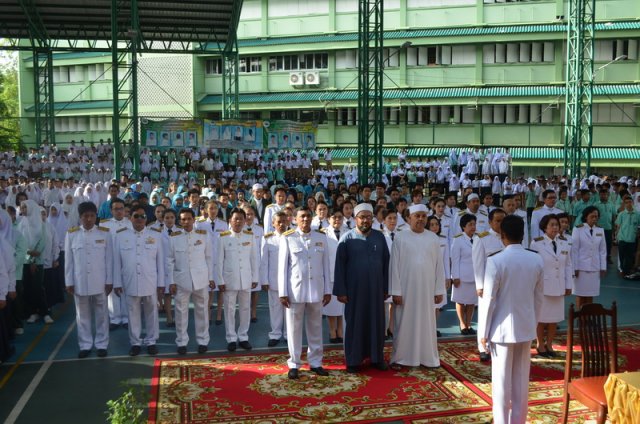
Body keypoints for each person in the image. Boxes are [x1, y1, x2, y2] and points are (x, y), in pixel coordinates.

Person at [478, 215, 543, 424]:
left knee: (501, 381)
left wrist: (483, 334)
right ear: (523, 235)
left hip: (501, 329)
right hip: (525, 326)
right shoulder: (536, 258)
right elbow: (538, 298)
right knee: (521, 380)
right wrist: (532, 324)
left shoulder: (496, 260)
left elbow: (488, 301)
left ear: (502, 236)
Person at [334, 203, 390, 373]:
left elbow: (386, 264)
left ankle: (376, 357)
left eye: (368, 217)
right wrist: (341, 291)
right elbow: (339, 267)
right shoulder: (347, 239)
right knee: (355, 324)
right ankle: (353, 360)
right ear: (355, 219)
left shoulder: (380, 238)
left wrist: (386, 288)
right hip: (354, 292)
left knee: (376, 323)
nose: (365, 220)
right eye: (362, 217)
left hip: (376, 290)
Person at [389, 204, 446, 369]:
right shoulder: (400, 237)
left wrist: (439, 289)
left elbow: (438, 266)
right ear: (409, 218)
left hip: (427, 290)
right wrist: (396, 291)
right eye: (417, 216)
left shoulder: (433, 238)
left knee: (427, 323)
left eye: (423, 216)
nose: (420, 219)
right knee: (404, 323)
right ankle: (402, 358)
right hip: (406, 290)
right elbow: (394, 267)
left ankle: (427, 357)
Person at [278, 206, 331, 380]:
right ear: (295, 219)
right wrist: (282, 292)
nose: (306, 219)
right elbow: (282, 268)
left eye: (308, 216)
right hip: (295, 290)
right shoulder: (288, 238)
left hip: (316, 289)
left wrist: (327, 290)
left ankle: (316, 362)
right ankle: (294, 363)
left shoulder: (321, 237)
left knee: (316, 327)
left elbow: (326, 266)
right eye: (302, 217)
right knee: (294, 328)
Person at [113, 204, 165, 356]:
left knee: (151, 312)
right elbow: (117, 262)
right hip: (130, 280)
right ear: (130, 218)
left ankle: (151, 341)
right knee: (132, 313)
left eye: (142, 216)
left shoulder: (156, 235)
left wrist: (161, 283)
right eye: (136, 216)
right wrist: (117, 282)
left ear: (146, 219)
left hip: (150, 280)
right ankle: (135, 342)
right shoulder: (121, 236)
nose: (139, 219)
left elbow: (160, 262)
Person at [65, 201, 113, 358]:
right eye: (86, 216)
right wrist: (69, 281)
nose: (89, 219)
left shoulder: (104, 233)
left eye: (92, 216)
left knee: (102, 314)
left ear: (96, 216)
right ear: (80, 217)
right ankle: (85, 345)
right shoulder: (72, 234)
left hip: (99, 280)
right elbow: (69, 261)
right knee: (82, 315)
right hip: (80, 281)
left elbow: (109, 260)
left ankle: (102, 344)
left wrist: (109, 280)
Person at [167, 208, 215, 355]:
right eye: (183, 219)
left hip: (201, 279)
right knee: (181, 312)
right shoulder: (174, 237)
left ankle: (203, 340)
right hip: (181, 280)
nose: (186, 222)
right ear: (179, 221)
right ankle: (181, 341)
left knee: (202, 311)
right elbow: (169, 260)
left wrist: (211, 278)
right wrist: (171, 281)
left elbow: (209, 258)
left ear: (194, 219)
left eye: (188, 218)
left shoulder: (203, 235)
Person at [530, 214, 572, 358]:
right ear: (544, 227)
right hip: (543, 286)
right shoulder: (537, 243)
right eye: (552, 225)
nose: (555, 227)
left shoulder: (564, 243)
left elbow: (568, 265)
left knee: (554, 318)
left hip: (559, 285)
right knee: (542, 318)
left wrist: (568, 284)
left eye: (557, 225)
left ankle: (549, 344)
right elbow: (533, 266)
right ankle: (540, 344)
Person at [217, 208, 258, 352]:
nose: (239, 221)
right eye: (236, 219)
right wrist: (220, 280)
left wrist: (255, 277)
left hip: (246, 278)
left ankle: (243, 336)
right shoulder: (223, 237)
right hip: (229, 279)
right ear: (230, 221)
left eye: (241, 218)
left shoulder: (250, 236)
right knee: (229, 309)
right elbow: (219, 261)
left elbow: (254, 259)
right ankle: (231, 338)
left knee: (245, 308)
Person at [471, 208, 506, 362]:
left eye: (503, 220)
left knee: (501, 314)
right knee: (485, 315)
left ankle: (496, 342)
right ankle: (482, 346)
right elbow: (478, 263)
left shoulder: (509, 237)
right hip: (488, 283)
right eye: (497, 220)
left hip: (505, 283)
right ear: (490, 222)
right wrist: (480, 285)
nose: (500, 223)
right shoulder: (482, 238)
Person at [100, 198, 132, 330]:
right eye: (116, 209)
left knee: (125, 287)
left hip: (126, 260)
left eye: (121, 209)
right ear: (111, 210)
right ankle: (115, 318)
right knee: (112, 289)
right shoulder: (105, 225)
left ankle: (125, 317)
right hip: (111, 260)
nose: (119, 211)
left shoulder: (131, 223)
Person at [260, 211, 289, 347]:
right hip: (274, 279)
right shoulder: (267, 239)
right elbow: (264, 261)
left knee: (290, 309)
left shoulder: (293, 237)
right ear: (273, 223)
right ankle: (275, 334)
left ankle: (289, 334)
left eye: (284, 221)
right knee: (275, 308)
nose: (282, 224)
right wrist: (264, 280)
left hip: (290, 280)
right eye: (279, 222)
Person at [571, 206, 606, 309]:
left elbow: (602, 250)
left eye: (596, 216)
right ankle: (580, 317)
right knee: (581, 294)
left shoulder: (600, 230)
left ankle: (588, 316)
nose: (594, 219)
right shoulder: (578, 229)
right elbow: (574, 250)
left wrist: (603, 267)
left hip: (594, 267)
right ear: (586, 217)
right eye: (592, 216)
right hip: (581, 268)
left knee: (591, 293)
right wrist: (575, 268)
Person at [450, 214, 478, 337]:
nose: (473, 227)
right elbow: (455, 259)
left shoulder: (478, 238)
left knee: (471, 301)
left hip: (475, 275)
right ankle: (462, 324)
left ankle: (469, 324)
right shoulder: (458, 239)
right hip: (461, 275)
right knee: (461, 301)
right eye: (470, 224)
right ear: (463, 227)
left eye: (474, 224)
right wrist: (455, 276)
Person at [322, 208, 346, 345]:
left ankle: (341, 330)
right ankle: (332, 330)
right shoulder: (323, 234)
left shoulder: (348, 232)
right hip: (329, 273)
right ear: (328, 219)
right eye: (334, 217)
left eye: (339, 217)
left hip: (344, 273)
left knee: (342, 304)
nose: (337, 220)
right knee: (331, 304)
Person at [615, 195, 640, 277]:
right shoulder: (621, 214)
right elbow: (618, 226)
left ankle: (627, 271)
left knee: (629, 256)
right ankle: (622, 270)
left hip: (632, 239)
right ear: (624, 204)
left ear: (632, 203)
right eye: (626, 203)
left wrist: (637, 234)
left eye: (630, 202)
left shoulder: (637, 214)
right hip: (622, 238)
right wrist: (616, 237)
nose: (628, 204)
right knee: (622, 256)